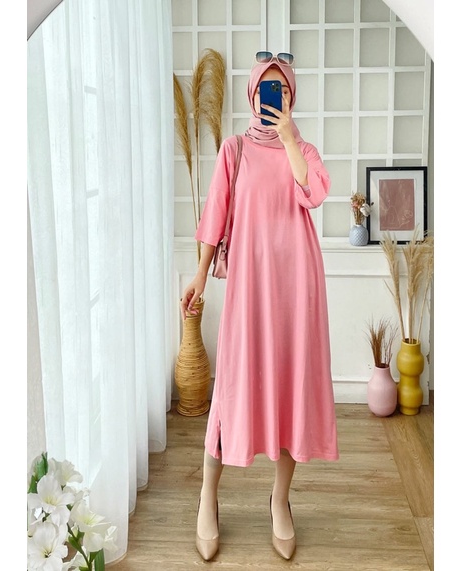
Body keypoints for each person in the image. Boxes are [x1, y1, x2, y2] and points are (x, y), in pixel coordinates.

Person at [180, 51, 339, 561]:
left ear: (292, 97)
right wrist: (200, 274)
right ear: (253, 95)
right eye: (269, 89)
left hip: (297, 287)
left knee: (292, 388)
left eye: (283, 90)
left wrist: (289, 139)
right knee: (231, 390)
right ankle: (208, 497)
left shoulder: (304, 150)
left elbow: (314, 194)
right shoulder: (234, 150)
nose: (276, 97)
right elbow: (215, 213)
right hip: (250, 288)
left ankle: (280, 501)